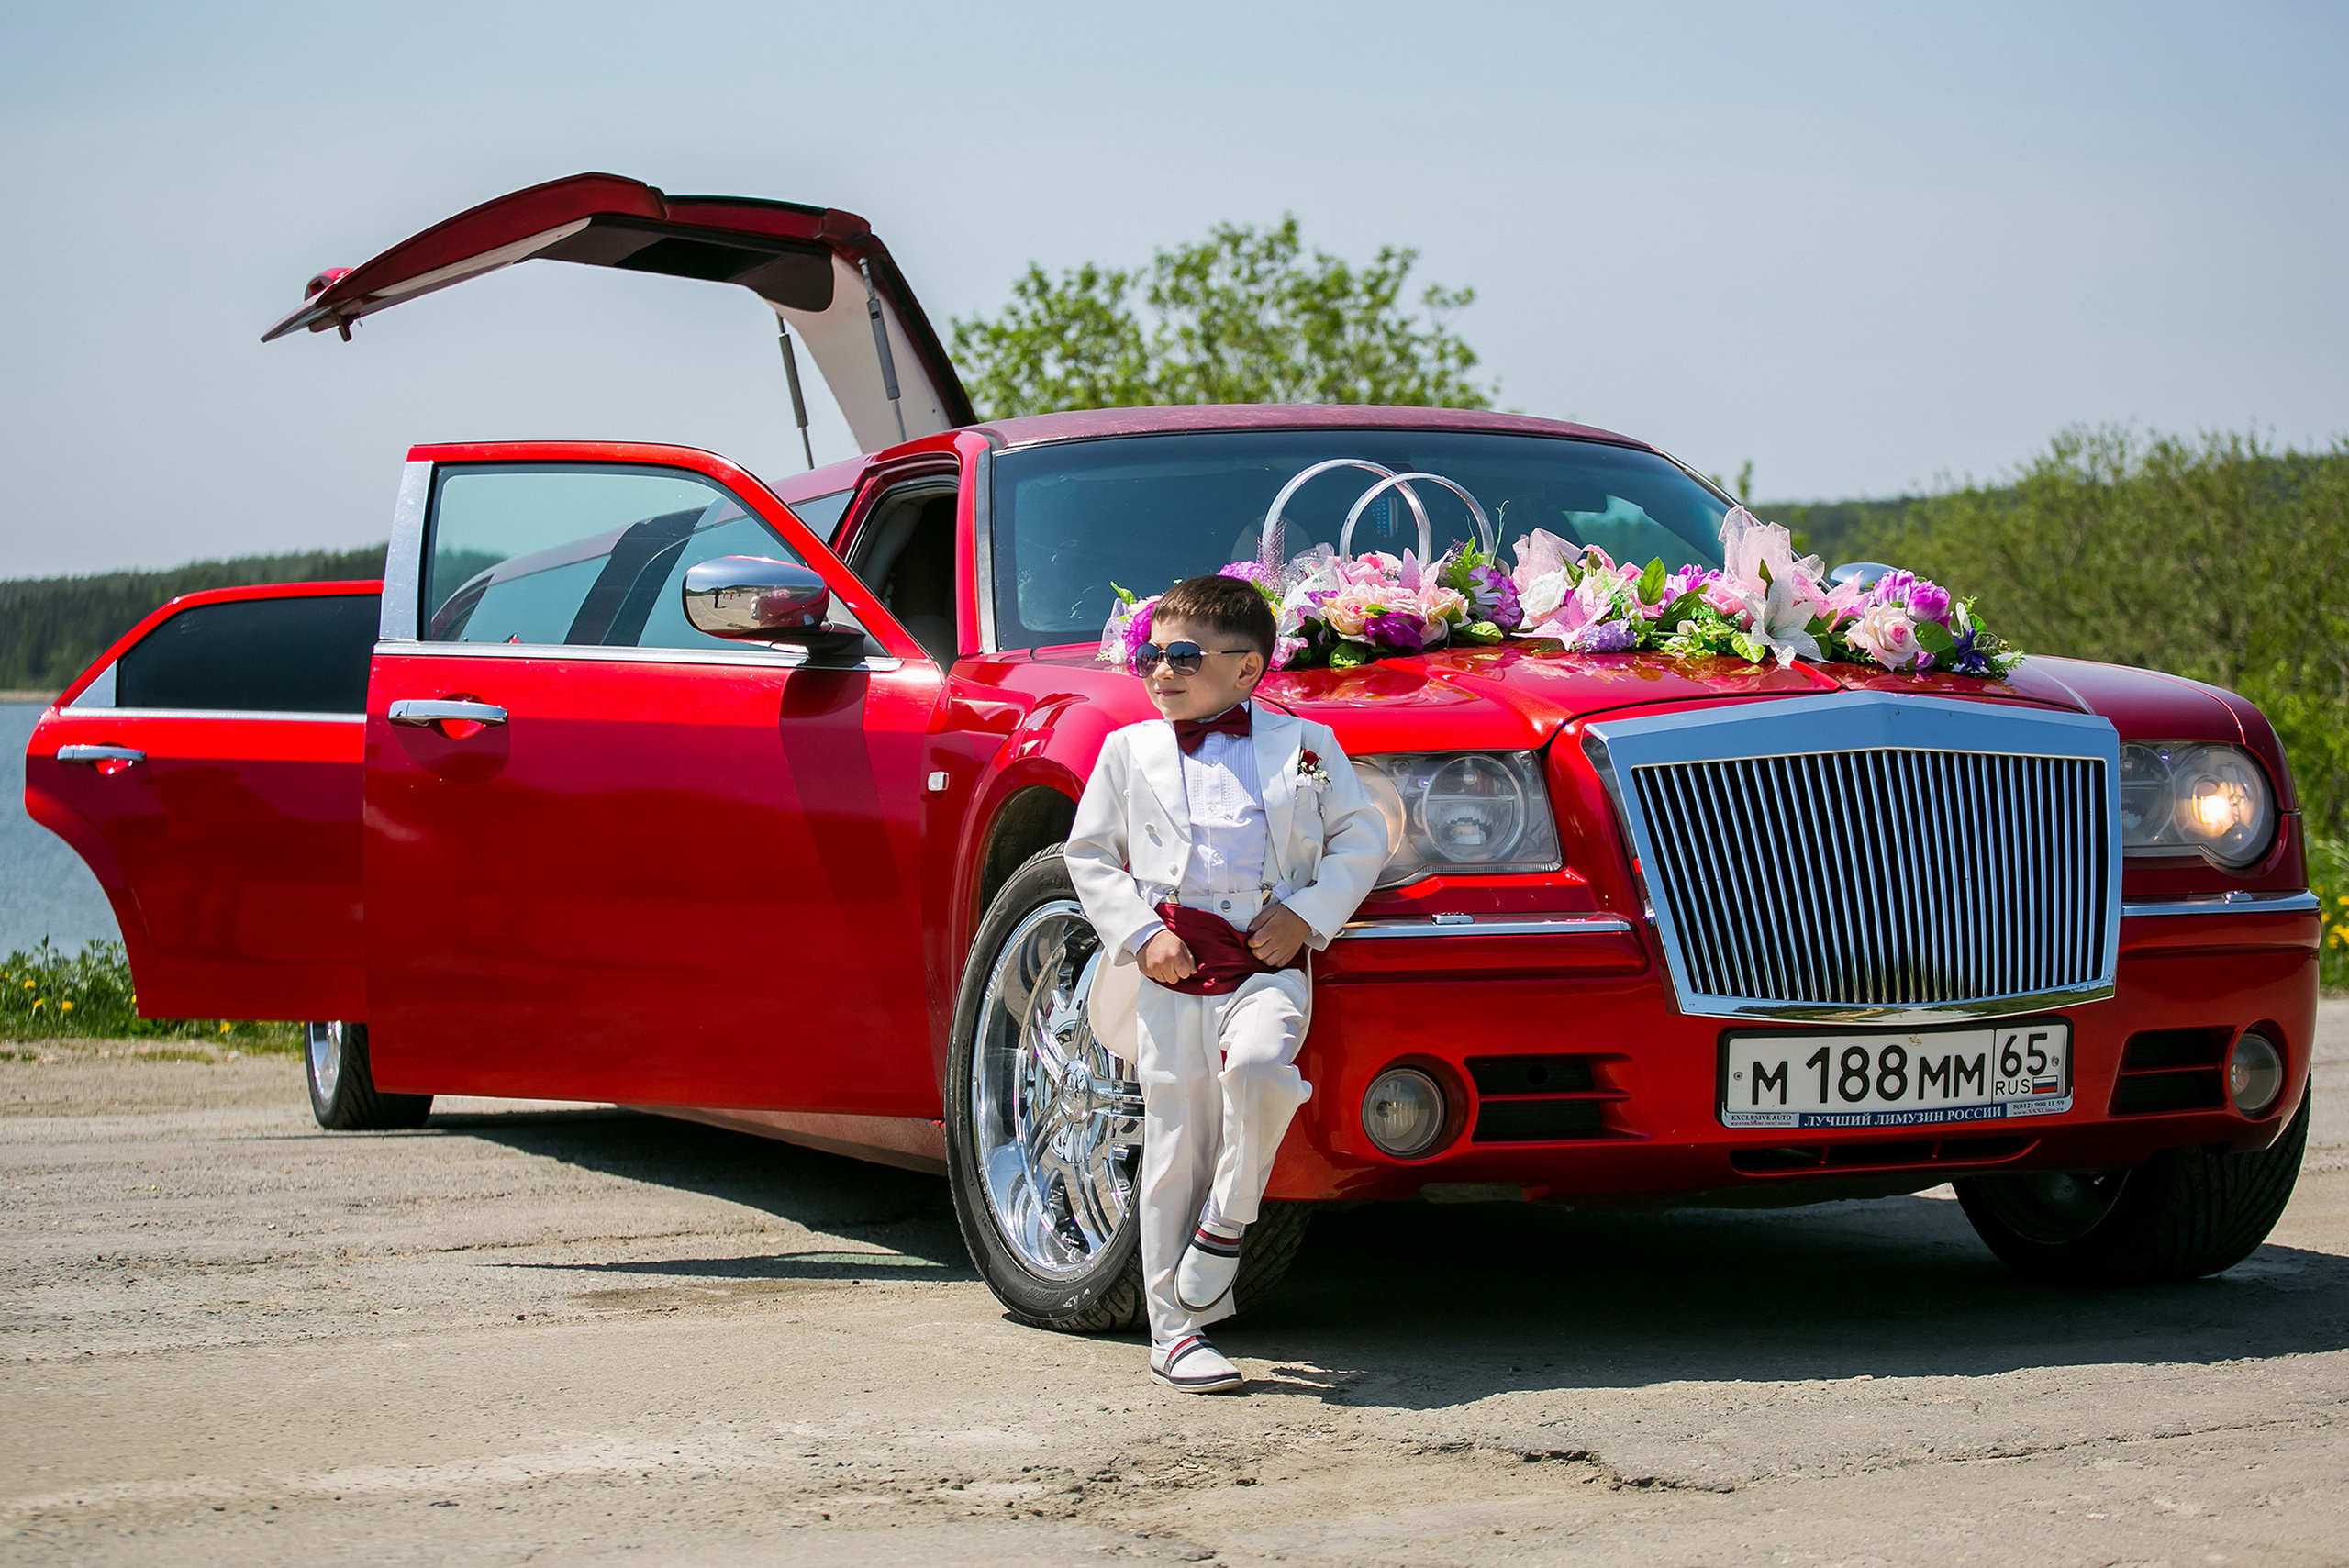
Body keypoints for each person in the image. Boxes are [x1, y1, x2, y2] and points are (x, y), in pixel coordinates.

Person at [1064, 573, 1389, 1393]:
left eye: (1182, 656)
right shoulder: (1127, 750)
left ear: (1248, 671)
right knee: (1178, 1134)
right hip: (1175, 958)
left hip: (1270, 951)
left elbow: (1361, 837)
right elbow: (1090, 855)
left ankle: (1230, 1216)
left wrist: (1308, 914)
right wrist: (1142, 937)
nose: (1159, 671)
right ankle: (1174, 1330)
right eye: (1150, 654)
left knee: (1257, 1070)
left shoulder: (1307, 744)